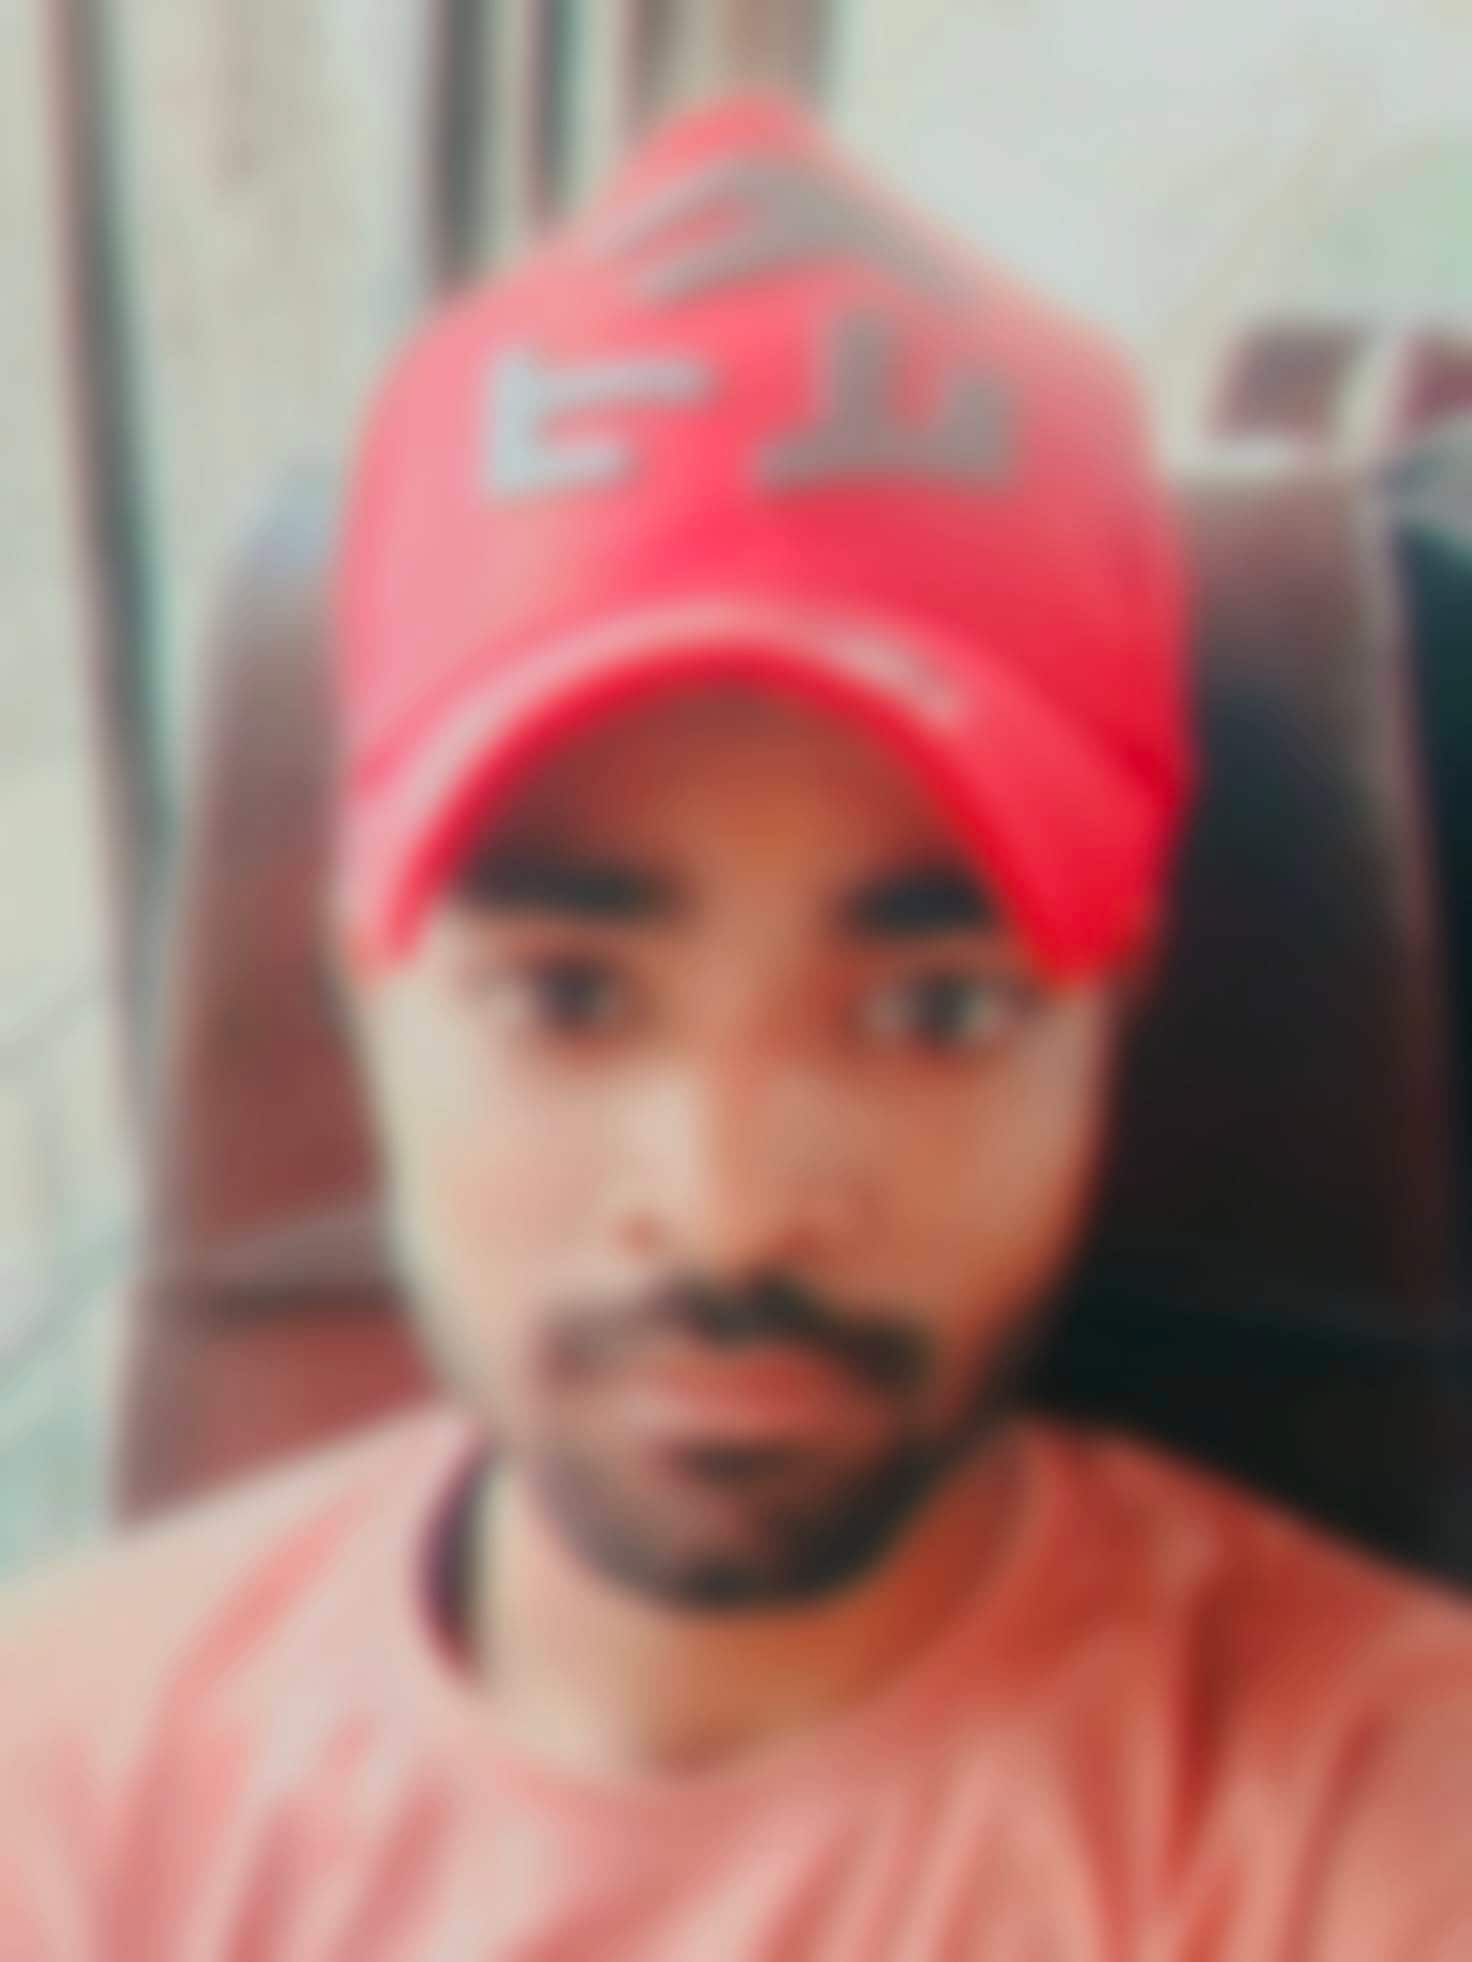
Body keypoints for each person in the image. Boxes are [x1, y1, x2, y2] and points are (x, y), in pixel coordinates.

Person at [3, 93, 1470, 1961]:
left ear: (1111, 1002)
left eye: (935, 1009)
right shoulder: (68, 1790)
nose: (728, 1207)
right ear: (368, 982)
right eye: (567, 998)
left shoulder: (1378, 1823)